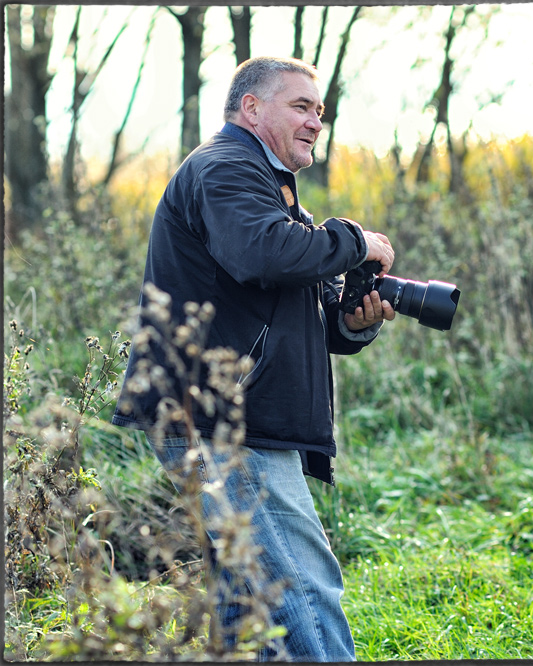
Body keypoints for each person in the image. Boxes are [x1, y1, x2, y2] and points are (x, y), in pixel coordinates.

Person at [112, 56, 396, 661]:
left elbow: (294, 305)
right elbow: (260, 254)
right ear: (252, 108)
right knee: (299, 591)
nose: (316, 121)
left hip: (233, 416)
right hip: (223, 422)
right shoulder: (224, 170)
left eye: (319, 111)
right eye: (301, 107)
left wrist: (351, 325)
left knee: (248, 607)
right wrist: (354, 241)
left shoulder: (269, 188)